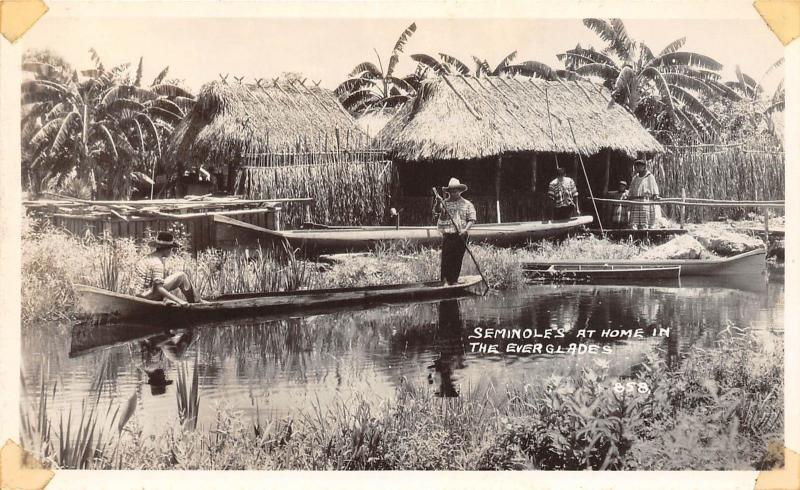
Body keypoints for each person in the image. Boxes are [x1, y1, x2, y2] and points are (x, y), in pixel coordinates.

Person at [133, 231, 202, 305]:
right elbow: (159, 289)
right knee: (181, 276)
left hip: (138, 294)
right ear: (167, 249)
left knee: (173, 277)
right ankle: (197, 302)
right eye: (171, 249)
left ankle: (196, 300)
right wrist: (179, 301)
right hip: (144, 297)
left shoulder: (148, 257)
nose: (171, 251)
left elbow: (154, 284)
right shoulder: (157, 263)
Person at [434, 178, 476, 286]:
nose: (453, 193)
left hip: (461, 235)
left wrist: (465, 230)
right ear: (449, 192)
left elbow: (472, 219)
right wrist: (438, 203)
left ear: (459, 191)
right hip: (448, 234)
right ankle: (444, 281)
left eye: (455, 191)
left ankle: (454, 280)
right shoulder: (445, 203)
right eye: (451, 191)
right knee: (446, 258)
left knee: (457, 258)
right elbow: (439, 212)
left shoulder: (467, 204)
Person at [628, 159, 661, 229]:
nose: (638, 168)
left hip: (645, 200)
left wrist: (656, 195)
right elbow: (631, 189)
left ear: (644, 167)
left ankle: (645, 233)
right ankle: (634, 235)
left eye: (640, 166)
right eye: (637, 166)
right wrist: (629, 196)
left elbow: (654, 187)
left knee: (644, 220)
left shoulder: (650, 177)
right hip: (636, 201)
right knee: (635, 222)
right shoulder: (635, 178)